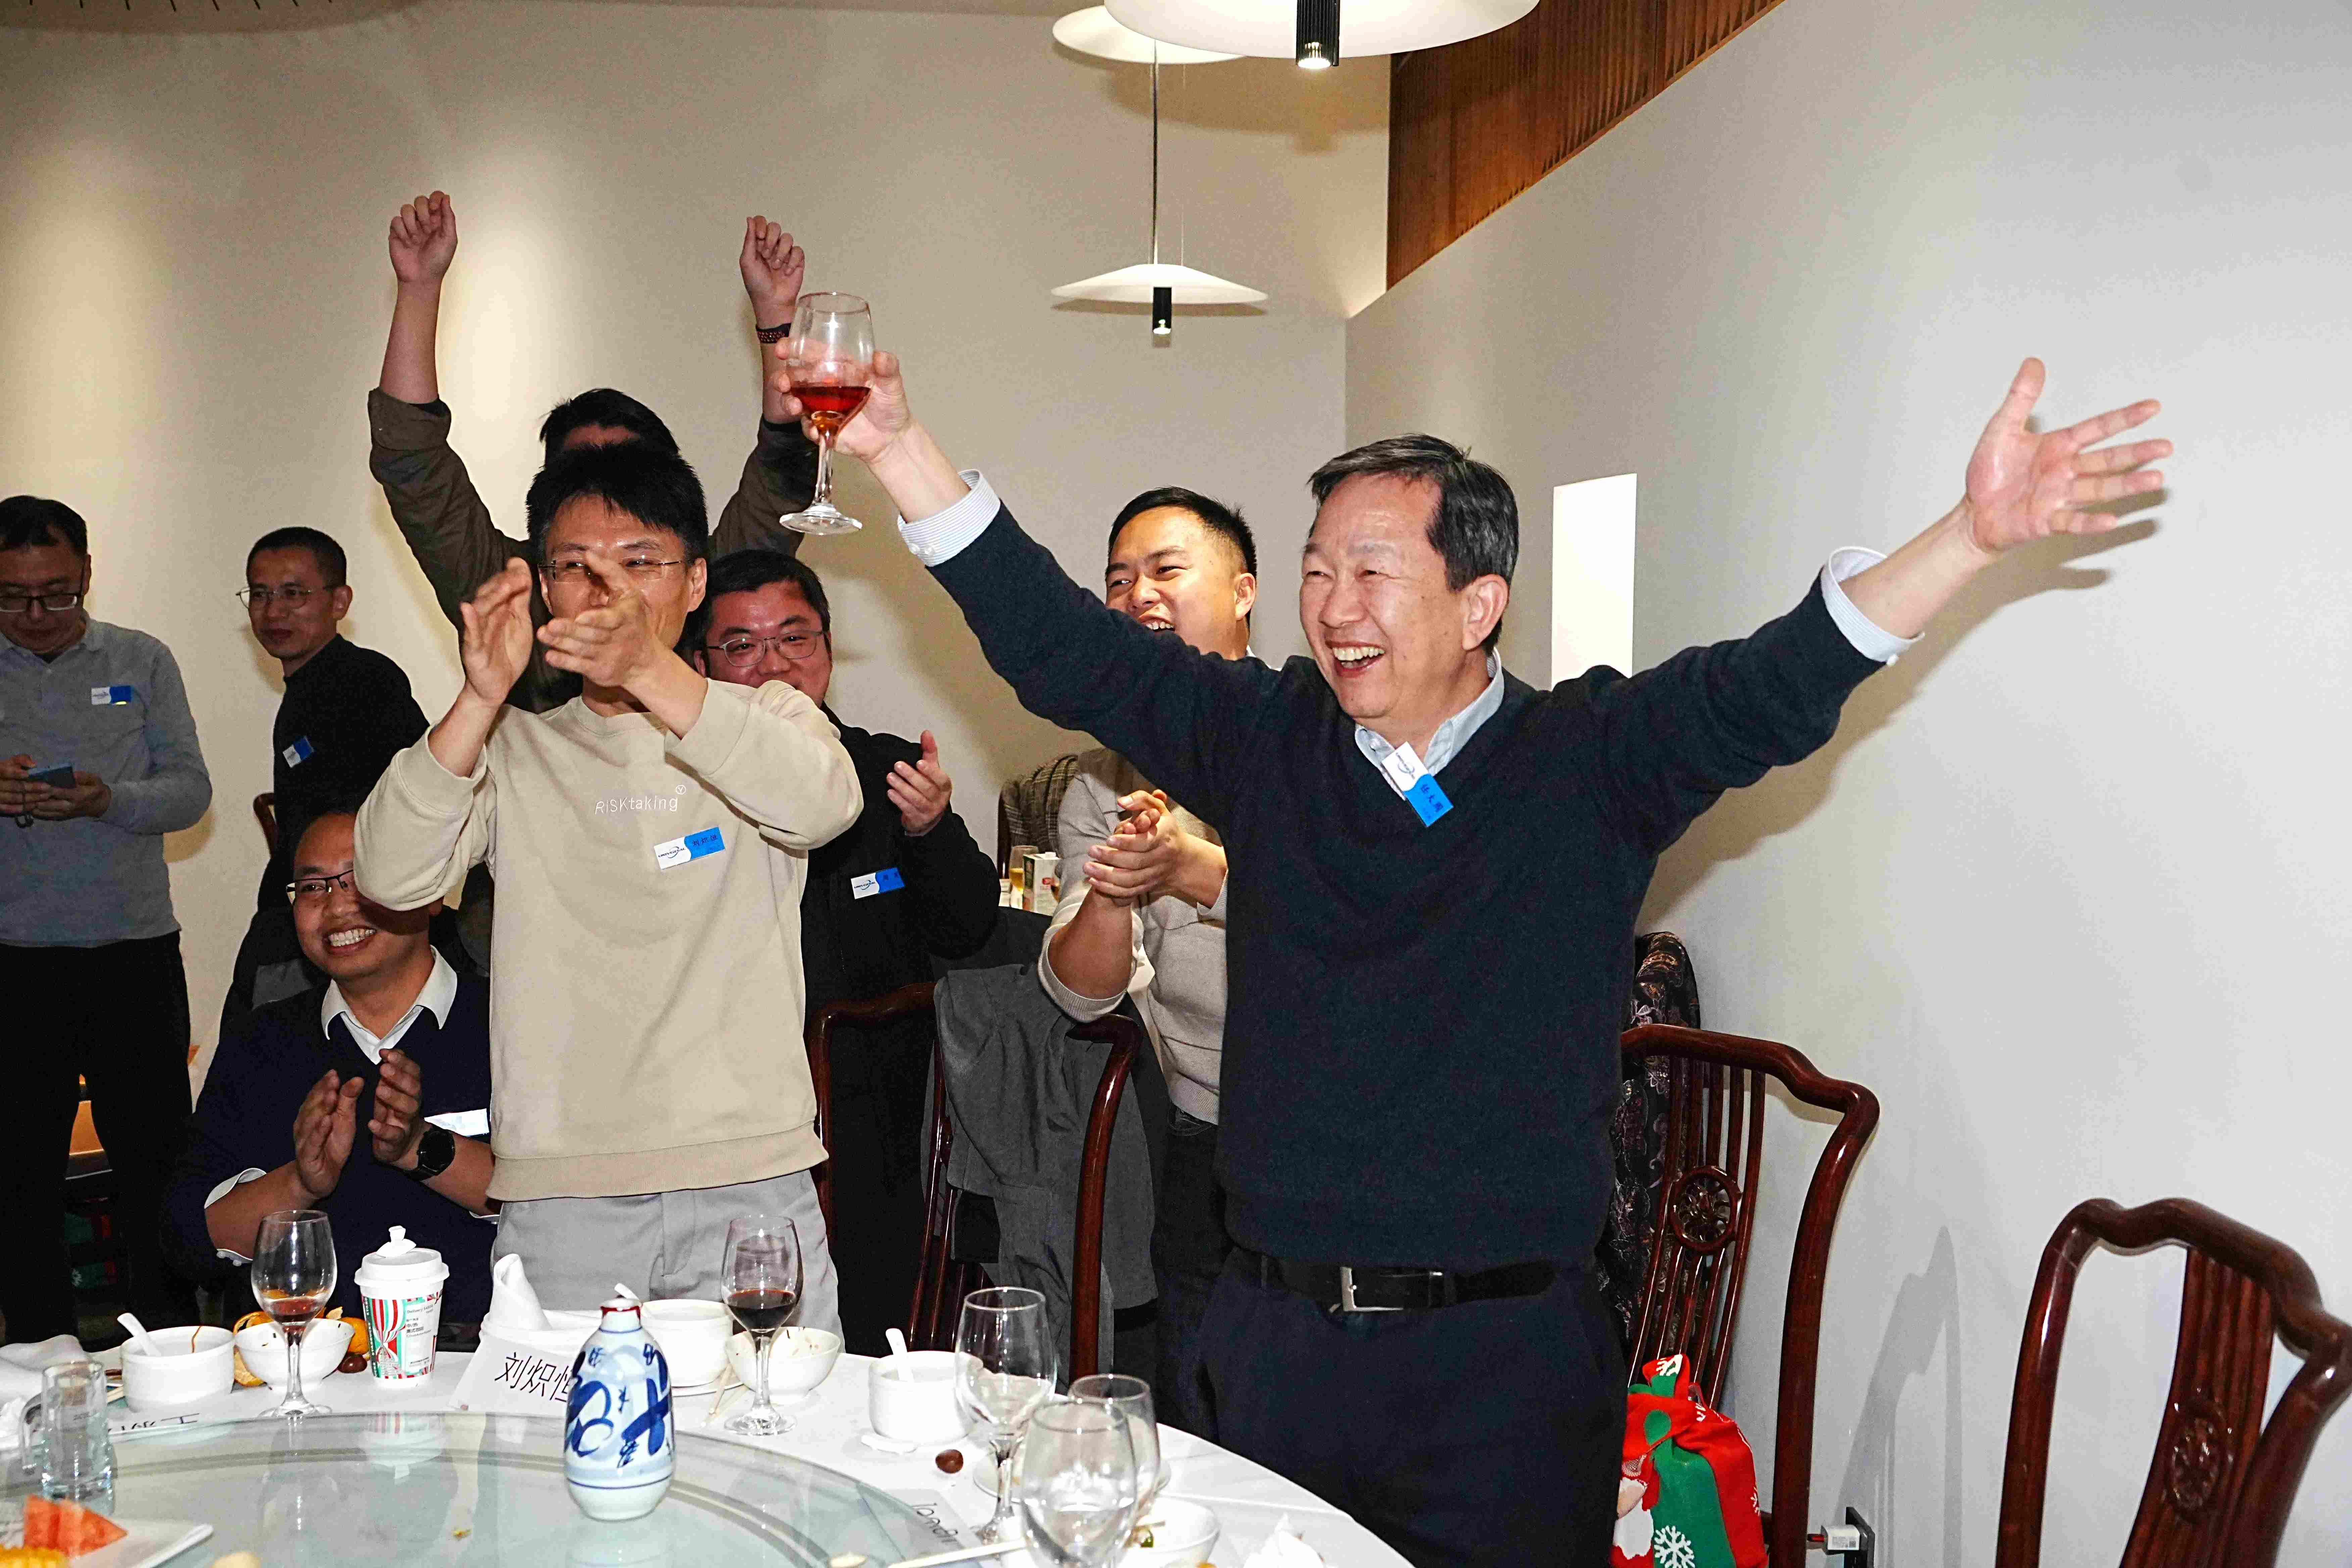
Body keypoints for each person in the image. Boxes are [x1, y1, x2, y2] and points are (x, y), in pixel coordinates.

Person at [783, 352, 2168, 1565]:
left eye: (1372, 572)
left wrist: (1967, 536)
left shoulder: (1590, 763)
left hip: (1504, 1370)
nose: (1332, 604)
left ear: (1479, 600)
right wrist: (899, 448)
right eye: (1317, 570)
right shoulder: (1266, 743)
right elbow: (1061, 647)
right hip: (1273, 1343)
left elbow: (1777, 680)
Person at [353, 442, 863, 1320]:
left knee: (779, 1409)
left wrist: (646, 669)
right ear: (545, 592)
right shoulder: (514, 745)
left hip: (751, 1178)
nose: (609, 593)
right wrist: (479, 696)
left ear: (695, 583)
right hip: (563, 1198)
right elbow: (391, 878)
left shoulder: (768, 715)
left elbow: (820, 805)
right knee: (561, 1416)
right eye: (576, 568)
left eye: (641, 563)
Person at [688, 548, 998, 1353]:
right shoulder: (679, 787)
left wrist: (931, 831)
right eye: (742, 645)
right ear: (701, 664)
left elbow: (969, 928)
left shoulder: (885, 770)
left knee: (869, 1344)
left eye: (795, 638)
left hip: (880, 1121)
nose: (774, 666)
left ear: (827, 648)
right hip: (725, 1116)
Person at [368, 191, 822, 715]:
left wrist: (776, 317)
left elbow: (784, 470)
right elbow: (414, 464)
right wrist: (419, 289)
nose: (609, 579)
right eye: (581, 479)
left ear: (694, 578)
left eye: (639, 558)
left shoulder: (704, 577)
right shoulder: (514, 592)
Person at [1038, 487, 1255, 1436]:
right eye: (1119, 581)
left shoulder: (1328, 730)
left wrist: (1198, 869)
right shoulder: (1103, 778)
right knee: (1198, 1412)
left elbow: (1383, 916)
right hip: (1203, 1138)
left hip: (1346, 1129)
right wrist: (1122, 880)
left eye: (1167, 570)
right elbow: (1081, 992)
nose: (1139, 597)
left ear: (1244, 592)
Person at [0, 495, 212, 1341]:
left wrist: (108, 799)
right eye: (14, 597)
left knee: (155, 1163)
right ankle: (38, 1354)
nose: (37, 614)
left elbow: (191, 790)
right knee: (19, 1174)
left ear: (88, 572)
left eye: (57, 592)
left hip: (133, 951)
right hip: (16, 958)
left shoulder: (141, 658)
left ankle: (170, 1345)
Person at [169, 806, 497, 1325]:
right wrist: (300, 1184)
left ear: (430, 892)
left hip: (483, 1349)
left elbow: (567, 1206)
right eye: (313, 888)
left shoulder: (508, 1025)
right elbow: (189, 1241)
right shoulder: (262, 1040)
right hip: (305, 1354)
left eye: (361, 879)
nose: (338, 906)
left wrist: (419, 1147)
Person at [225, 527, 429, 1023]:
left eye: (294, 594)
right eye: (260, 594)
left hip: (348, 919)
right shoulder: (304, 689)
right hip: (301, 914)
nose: (274, 612)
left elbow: (410, 801)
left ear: (340, 601)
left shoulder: (365, 682)